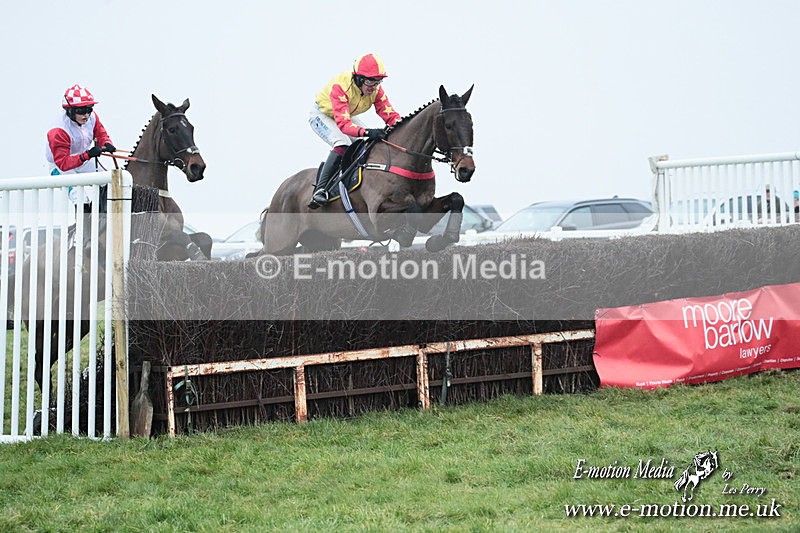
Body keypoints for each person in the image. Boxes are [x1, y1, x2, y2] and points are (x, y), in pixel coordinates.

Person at [307, 53, 402, 208]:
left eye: (378, 81)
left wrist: (402, 127)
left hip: (344, 114)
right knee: (342, 143)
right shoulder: (341, 87)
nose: (374, 86)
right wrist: (368, 131)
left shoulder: (376, 90)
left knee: (363, 144)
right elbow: (344, 125)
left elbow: (390, 115)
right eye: (370, 80)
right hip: (322, 115)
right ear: (358, 78)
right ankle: (321, 189)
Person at [45, 84, 116, 209]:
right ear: (70, 111)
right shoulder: (58, 131)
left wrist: (106, 143)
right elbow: (63, 163)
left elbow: (101, 134)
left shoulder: (92, 117)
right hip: (61, 167)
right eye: (81, 111)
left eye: (89, 109)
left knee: (110, 184)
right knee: (81, 200)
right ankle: (84, 225)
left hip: (83, 160)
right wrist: (87, 155)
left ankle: (103, 219)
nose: (86, 115)